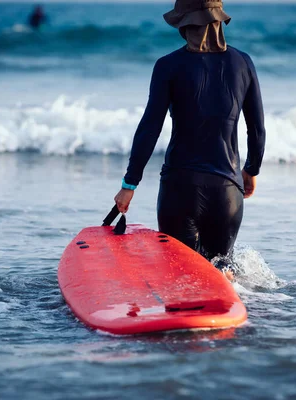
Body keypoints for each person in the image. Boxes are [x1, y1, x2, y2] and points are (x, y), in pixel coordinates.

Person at [114, 0, 266, 266]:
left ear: (184, 24)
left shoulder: (167, 65)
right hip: (227, 190)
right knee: (220, 274)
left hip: (180, 190)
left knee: (178, 274)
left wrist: (130, 184)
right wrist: (251, 170)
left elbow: (150, 127)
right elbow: (256, 127)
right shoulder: (243, 63)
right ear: (219, 20)